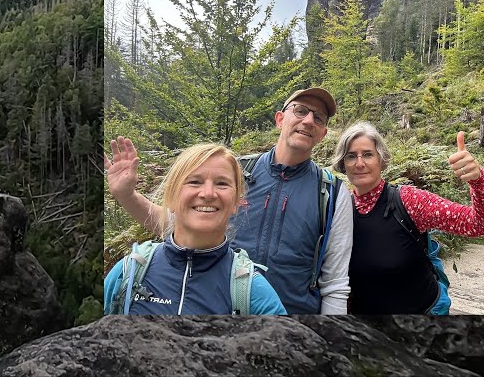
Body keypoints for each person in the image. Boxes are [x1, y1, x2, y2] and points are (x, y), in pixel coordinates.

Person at [106, 86, 353, 314]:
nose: (308, 120)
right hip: (213, 306)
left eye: (318, 117)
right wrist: (127, 196)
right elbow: (176, 222)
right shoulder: (234, 172)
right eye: (300, 110)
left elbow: (335, 283)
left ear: (323, 134)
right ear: (280, 119)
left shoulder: (331, 192)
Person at [330, 122, 484, 315]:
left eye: (368, 154)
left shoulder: (410, 201)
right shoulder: (340, 209)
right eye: (351, 156)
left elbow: (483, 224)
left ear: (381, 159)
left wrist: (477, 181)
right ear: (343, 163)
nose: (359, 163)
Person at [104, 143, 287, 315]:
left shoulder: (252, 292)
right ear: (173, 196)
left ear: (236, 202)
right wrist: (126, 195)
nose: (208, 194)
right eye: (194, 182)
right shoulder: (128, 273)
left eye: (222, 183)